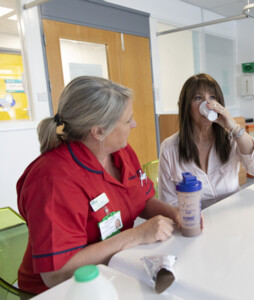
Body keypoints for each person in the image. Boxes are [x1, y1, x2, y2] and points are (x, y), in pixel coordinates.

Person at [17, 76, 179, 295]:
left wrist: (177, 215)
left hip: (111, 270)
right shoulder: (54, 180)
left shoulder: (120, 151)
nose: (134, 124)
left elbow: (143, 199)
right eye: (127, 120)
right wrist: (137, 235)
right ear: (99, 131)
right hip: (61, 291)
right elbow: (56, 274)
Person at [159, 73, 254, 209]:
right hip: (195, 223)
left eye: (212, 97)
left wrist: (234, 128)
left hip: (232, 216)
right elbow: (169, 202)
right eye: (198, 98)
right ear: (186, 106)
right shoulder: (169, 148)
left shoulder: (231, 138)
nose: (208, 104)